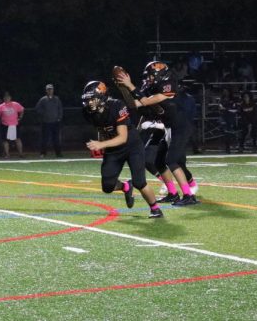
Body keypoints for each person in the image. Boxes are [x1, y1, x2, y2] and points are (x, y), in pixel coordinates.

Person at [116, 61, 199, 206]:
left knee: (172, 161)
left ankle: (189, 195)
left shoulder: (169, 84)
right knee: (158, 161)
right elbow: (135, 104)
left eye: (151, 76)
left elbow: (146, 101)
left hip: (180, 126)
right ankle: (173, 193)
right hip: (169, 127)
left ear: (160, 75)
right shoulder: (152, 87)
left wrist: (130, 85)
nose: (149, 79)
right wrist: (123, 88)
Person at [81, 81, 163, 218]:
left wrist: (101, 145)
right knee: (107, 186)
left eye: (92, 99)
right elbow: (103, 128)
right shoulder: (88, 112)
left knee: (139, 182)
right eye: (88, 99)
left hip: (132, 146)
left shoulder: (116, 105)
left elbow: (123, 137)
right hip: (113, 148)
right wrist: (103, 142)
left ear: (102, 96)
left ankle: (155, 209)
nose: (89, 103)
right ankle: (126, 187)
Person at [35, 83, 63, 157]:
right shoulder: (43, 99)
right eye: (48, 89)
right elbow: (38, 109)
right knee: (45, 139)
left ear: (53, 90)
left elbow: (60, 109)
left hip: (55, 122)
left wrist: (59, 117)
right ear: (46, 91)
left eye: (51, 89)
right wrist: (44, 115)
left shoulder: (57, 99)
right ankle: (43, 153)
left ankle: (58, 153)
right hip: (46, 122)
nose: (50, 91)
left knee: (56, 139)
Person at [0, 92, 24, 158]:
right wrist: (2, 120)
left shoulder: (15, 104)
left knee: (17, 139)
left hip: (14, 125)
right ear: (3, 98)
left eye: (8, 97)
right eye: (5, 97)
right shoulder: (1, 106)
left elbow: (22, 110)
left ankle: (21, 154)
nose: (6, 98)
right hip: (5, 125)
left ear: (10, 98)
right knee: (5, 140)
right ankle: (7, 154)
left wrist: (20, 117)